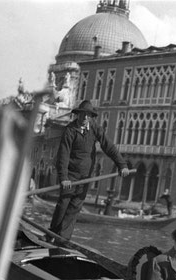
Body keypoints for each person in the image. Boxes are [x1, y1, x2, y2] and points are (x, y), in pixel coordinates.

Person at [49, 100, 130, 240]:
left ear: (91, 117)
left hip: (86, 176)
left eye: (88, 115)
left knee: (75, 207)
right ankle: (51, 233)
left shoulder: (94, 128)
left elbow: (108, 146)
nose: (85, 118)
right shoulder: (70, 130)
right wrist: (64, 178)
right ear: (78, 115)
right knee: (63, 205)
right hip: (70, 175)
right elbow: (63, 155)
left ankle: (63, 238)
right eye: (82, 115)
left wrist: (121, 164)